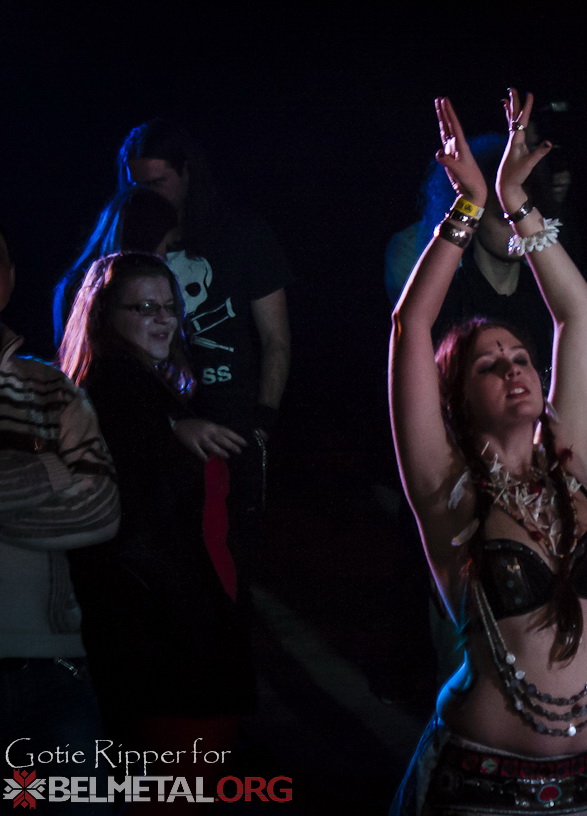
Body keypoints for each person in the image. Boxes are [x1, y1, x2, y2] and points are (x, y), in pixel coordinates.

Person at [387, 90, 587, 815]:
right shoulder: (448, 489)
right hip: (489, 788)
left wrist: (516, 203)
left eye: (522, 357)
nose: (515, 369)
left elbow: (578, 312)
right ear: (457, 396)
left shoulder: (570, 460)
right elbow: (411, 327)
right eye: (489, 365)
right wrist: (468, 207)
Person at [58, 252, 255, 806]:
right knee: (180, 791)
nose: (164, 319)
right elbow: (125, 471)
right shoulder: (116, 388)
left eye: (169, 306)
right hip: (169, 637)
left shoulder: (154, 387)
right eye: (144, 308)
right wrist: (169, 428)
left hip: (179, 624)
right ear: (104, 316)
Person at [117, 117, 292, 591]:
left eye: (158, 182)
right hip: (161, 436)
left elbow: (275, 339)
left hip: (232, 426)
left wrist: (262, 422)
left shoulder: (242, 234)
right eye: (137, 185)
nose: (147, 195)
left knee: (236, 566)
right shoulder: (125, 245)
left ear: (187, 172)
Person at [1, 223, 120, 814]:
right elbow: (77, 487)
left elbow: (102, 509)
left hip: (52, 665)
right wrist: (50, 470)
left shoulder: (50, 386)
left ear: (9, 277)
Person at [52, 186, 181, 346]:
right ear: (146, 239)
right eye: (167, 246)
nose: (166, 257)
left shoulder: (74, 283)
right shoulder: (92, 290)